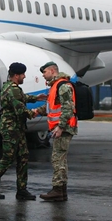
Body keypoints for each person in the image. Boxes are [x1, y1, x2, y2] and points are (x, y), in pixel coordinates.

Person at [0, 62, 47, 200]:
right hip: (11, 129)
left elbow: (21, 98)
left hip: (16, 129)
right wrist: (40, 111)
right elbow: (21, 110)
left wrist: (37, 97)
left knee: (23, 157)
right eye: (23, 74)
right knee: (7, 158)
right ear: (16, 75)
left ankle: (22, 190)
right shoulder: (13, 89)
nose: (24, 76)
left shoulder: (8, 86)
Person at [33, 61, 77, 202]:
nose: (43, 75)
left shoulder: (62, 86)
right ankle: (61, 191)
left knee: (57, 159)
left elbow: (68, 108)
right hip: (60, 127)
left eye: (44, 72)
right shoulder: (55, 87)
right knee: (60, 159)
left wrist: (61, 126)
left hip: (63, 128)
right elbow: (50, 107)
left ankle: (57, 190)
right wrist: (36, 112)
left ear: (52, 71)